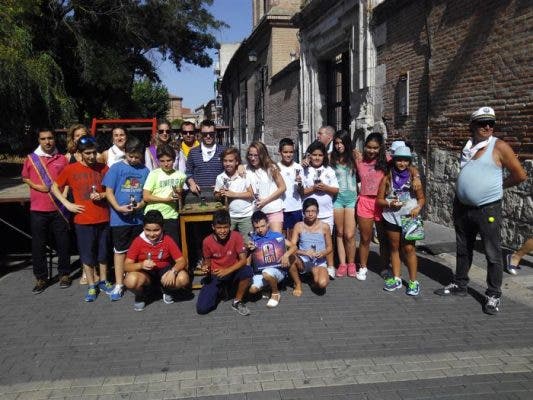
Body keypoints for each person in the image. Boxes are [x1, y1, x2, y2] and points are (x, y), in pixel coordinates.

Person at [435, 106, 527, 315]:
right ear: (472, 125)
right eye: (482, 123)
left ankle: (493, 295)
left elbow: (520, 175)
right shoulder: (468, 147)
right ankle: (460, 284)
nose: (487, 127)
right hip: (462, 207)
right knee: (462, 248)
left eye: (491, 123)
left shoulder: (499, 146)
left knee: (492, 253)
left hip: (488, 208)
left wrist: (498, 186)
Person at [51, 135, 112, 302]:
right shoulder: (71, 169)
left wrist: (102, 194)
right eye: (88, 153)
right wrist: (67, 204)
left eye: (94, 152)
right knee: (87, 254)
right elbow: (54, 186)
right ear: (80, 153)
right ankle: (92, 285)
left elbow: (112, 190)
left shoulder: (103, 167)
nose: (92, 156)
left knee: (103, 253)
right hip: (83, 219)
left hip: (103, 217)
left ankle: (103, 280)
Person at [22, 128, 70, 293]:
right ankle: (41, 278)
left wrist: (63, 196)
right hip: (38, 208)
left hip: (59, 208)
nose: (47, 142)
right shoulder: (31, 159)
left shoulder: (62, 159)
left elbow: (68, 180)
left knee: (63, 243)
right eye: (43, 139)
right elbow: (25, 177)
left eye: (50, 138)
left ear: (54, 139)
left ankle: (64, 274)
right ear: (39, 140)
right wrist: (37, 187)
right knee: (38, 245)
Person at [103, 136, 150, 301]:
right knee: (120, 251)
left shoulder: (145, 171)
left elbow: (146, 194)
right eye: (131, 156)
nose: (134, 159)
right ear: (125, 153)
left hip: (137, 219)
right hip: (119, 219)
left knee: (137, 251)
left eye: (137, 157)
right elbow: (108, 191)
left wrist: (141, 204)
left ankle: (137, 280)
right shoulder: (116, 168)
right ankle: (118, 284)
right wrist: (117, 207)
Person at [377, 146, 426, 295]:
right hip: (392, 216)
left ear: (409, 162)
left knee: (409, 249)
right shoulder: (387, 177)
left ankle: (413, 281)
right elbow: (379, 200)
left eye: (405, 160)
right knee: (394, 247)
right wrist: (389, 203)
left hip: (410, 216)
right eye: (399, 160)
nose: (402, 163)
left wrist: (418, 208)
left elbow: (422, 198)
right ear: (394, 160)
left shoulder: (414, 178)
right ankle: (397, 278)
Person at [124, 210, 189, 311]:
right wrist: (141, 265)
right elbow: (126, 266)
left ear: (162, 228)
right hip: (145, 274)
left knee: (183, 278)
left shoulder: (167, 239)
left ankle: (166, 289)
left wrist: (173, 271)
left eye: (156, 230)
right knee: (130, 280)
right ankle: (142, 295)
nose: (152, 234)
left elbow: (181, 261)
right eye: (148, 230)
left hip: (164, 271)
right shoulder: (138, 241)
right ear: (143, 228)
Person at [196, 209, 253, 316]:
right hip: (216, 274)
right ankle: (221, 290)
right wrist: (205, 268)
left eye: (226, 227)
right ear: (213, 227)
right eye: (219, 228)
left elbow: (243, 260)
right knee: (202, 309)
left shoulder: (236, 236)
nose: (223, 231)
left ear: (230, 226)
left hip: (232, 271)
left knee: (247, 271)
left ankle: (237, 301)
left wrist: (227, 270)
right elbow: (207, 262)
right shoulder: (207, 241)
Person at [300, 141, 339, 278]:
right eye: (314, 155)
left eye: (320, 155)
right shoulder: (304, 169)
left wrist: (326, 188)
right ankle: (310, 265)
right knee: (309, 239)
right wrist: (313, 189)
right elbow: (301, 192)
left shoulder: (329, 170)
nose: (317, 158)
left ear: (324, 156)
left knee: (327, 241)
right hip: (309, 213)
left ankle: (330, 266)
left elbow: (335, 190)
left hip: (326, 213)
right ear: (309, 156)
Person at [355, 132, 389, 281]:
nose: (372, 150)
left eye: (375, 148)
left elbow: (407, 166)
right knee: (365, 238)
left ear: (380, 148)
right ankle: (363, 267)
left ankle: (384, 267)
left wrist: (417, 177)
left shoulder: (387, 161)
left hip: (382, 203)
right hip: (364, 202)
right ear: (365, 146)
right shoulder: (359, 160)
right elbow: (336, 155)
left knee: (383, 237)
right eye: (369, 147)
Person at [247, 211, 297, 308]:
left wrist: (286, 255)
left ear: (268, 224)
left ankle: (275, 293)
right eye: (257, 227)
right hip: (260, 271)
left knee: (267, 273)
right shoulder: (253, 239)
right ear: (253, 227)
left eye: (263, 226)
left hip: (278, 270)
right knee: (252, 290)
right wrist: (249, 249)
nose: (260, 229)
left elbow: (294, 247)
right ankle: (268, 287)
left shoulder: (277, 236)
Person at [143, 144, 186, 245]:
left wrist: (180, 193)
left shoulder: (180, 175)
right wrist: (166, 200)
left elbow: (179, 195)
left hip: (171, 216)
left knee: (172, 246)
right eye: (162, 161)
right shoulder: (154, 174)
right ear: (158, 161)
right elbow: (146, 196)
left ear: (174, 160)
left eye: (169, 160)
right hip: (153, 216)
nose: (166, 164)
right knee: (154, 246)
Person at [290, 198, 333, 294]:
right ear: (303, 212)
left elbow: (330, 247)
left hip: (319, 261)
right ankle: (298, 283)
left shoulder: (325, 226)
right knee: (290, 257)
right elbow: (292, 247)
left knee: (322, 284)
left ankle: (312, 274)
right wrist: (304, 252)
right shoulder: (299, 226)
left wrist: (323, 253)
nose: (310, 214)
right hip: (303, 260)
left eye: (313, 211)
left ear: (318, 211)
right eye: (307, 211)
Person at [330, 130, 358, 278]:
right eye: (336, 143)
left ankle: (352, 262)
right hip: (338, 199)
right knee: (339, 233)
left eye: (341, 142)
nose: (339, 146)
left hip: (352, 199)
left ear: (347, 143)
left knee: (350, 234)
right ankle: (342, 263)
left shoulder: (355, 157)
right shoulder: (331, 159)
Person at [214, 147, 254, 241]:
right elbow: (216, 194)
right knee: (227, 241)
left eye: (231, 161)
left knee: (248, 242)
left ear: (237, 162)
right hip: (229, 216)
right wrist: (219, 194)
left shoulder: (243, 174)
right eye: (225, 161)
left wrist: (233, 194)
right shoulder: (220, 177)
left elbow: (250, 194)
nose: (227, 164)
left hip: (246, 215)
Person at [245, 141, 286, 233]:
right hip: (257, 213)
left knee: (276, 241)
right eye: (250, 155)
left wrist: (265, 201)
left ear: (262, 155)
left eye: (256, 155)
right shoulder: (246, 169)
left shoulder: (271, 167)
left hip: (273, 210)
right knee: (260, 244)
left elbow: (282, 187)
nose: (253, 158)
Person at [186, 119, 225, 202]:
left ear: (215, 133)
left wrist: (223, 185)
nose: (208, 136)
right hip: (198, 195)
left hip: (219, 195)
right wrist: (192, 183)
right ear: (200, 134)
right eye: (205, 134)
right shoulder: (193, 152)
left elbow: (230, 171)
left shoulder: (224, 151)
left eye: (211, 133)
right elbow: (188, 172)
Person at [277, 138, 303, 240]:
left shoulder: (299, 167)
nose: (288, 155)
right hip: (281, 207)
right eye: (285, 152)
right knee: (282, 238)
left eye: (291, 152)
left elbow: (302, 191)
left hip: (296, 207)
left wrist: (300, 184)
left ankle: (293, 256)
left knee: (294, 239)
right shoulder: (276, 168)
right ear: (280, 152)